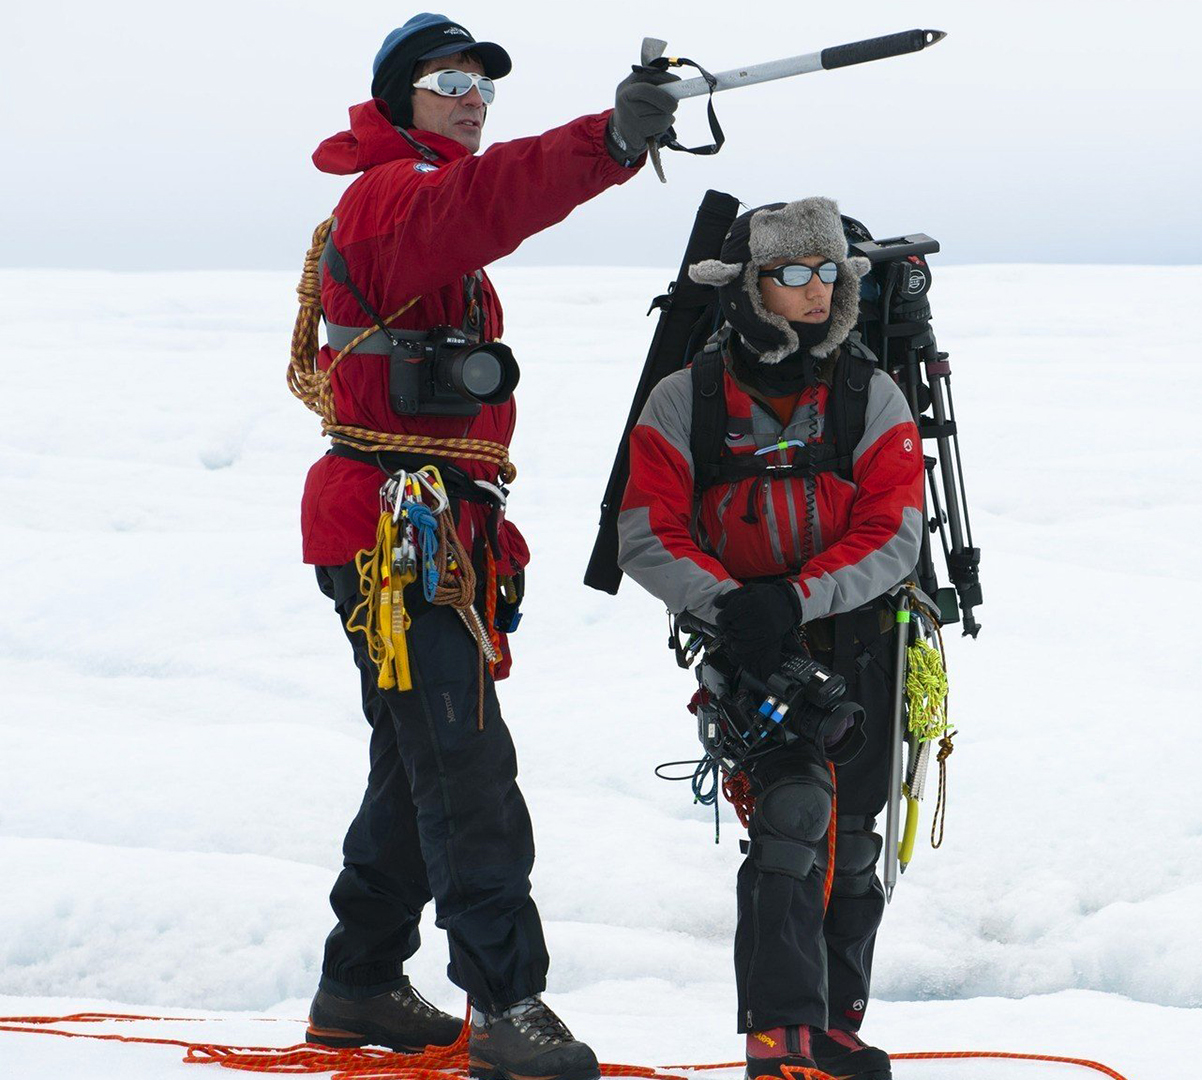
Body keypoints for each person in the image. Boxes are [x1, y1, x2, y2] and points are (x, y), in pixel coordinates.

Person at [299, 13, 682, 1080]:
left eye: (481, 83)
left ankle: (362, 978)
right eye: (447, 79)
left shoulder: (412, 195)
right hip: (394, 532)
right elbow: (490, 199)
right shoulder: (395, 197)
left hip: (427, 523)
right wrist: (607, 142)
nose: (470, 95)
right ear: (397, 97)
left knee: (414, 755)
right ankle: (507, 1005)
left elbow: (479, 200)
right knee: (464, 764)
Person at [616, 197, 926, 1080]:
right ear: (752, 285)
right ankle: (782, 1041)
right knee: (794, 822)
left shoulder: (872, 393)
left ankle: (834, 1023)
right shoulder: (687, 399)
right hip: (751, 653)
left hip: (862, 640)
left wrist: (795, 597)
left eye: (830, 272)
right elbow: (647, 530)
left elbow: (894, 530)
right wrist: (731, 608)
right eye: (794, 273)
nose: (816, 291)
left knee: (855, 841)